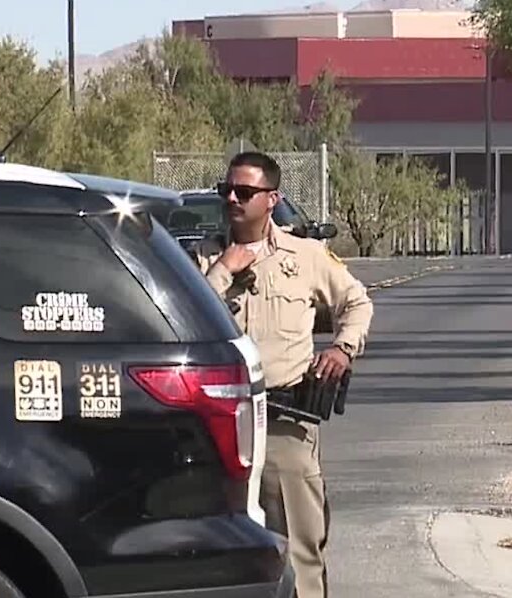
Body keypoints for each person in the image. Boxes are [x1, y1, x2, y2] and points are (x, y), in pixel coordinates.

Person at [193, 151, 373, 598]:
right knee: (222, 548)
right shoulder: (199, 258)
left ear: (272, 199)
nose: (232, 198)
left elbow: (357, 303)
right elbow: (186, 320)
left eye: (245, 192)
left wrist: (342, 348)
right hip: (216, 427)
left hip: (283, 423)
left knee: (300, 544)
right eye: (227, 190)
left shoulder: (306, 256)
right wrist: (220, 273)